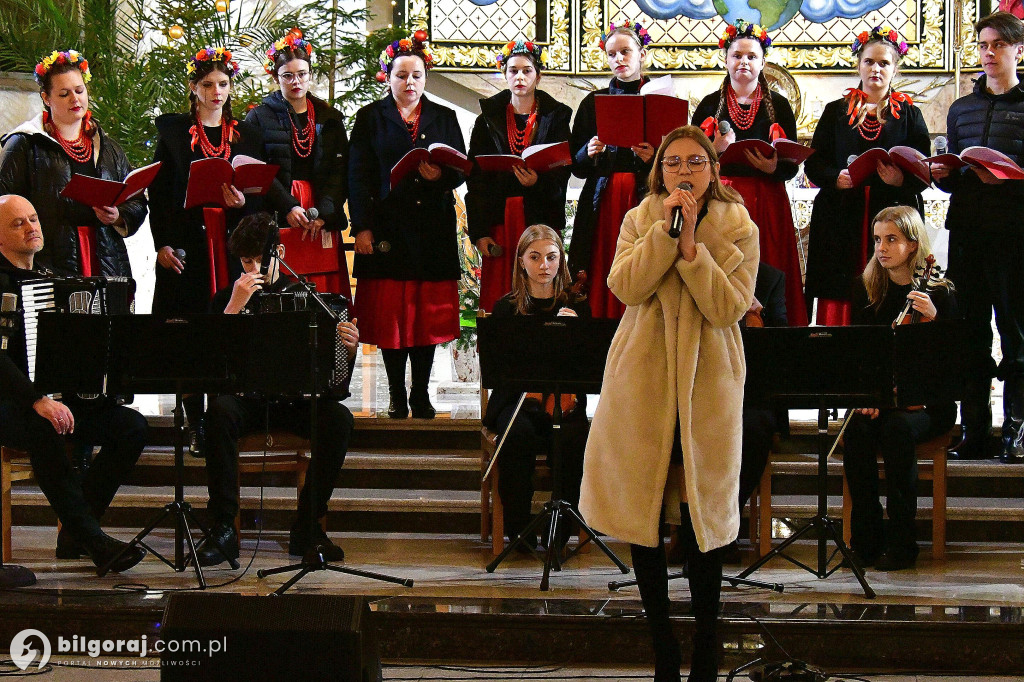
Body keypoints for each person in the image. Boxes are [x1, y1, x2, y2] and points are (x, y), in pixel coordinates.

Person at [579, 126, 758, 682]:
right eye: (673, 162)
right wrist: (665, 235)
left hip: (709, 381)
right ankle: (662, 645)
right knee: (645, 514)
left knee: (702, 517)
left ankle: (707, 640)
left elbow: (728, 308)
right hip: (644, 379)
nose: (684, 171)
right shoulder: (641, 217)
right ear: (660, 170)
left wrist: (693, 251)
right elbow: (626, 287)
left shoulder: (739, 224)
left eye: (696, 162)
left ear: (713, 169)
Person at [193, 212, 358, 566]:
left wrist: (347, 349)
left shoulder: (307, 297)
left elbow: (332, 375)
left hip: (295, 403)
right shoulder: (226, 298)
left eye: (259, 260)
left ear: (279, 253)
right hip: (247, 402)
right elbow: (207, 364)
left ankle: (308, 525)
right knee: (218, 414)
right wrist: (233, 308)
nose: (253, 269)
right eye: (246, 262)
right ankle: (223, 527)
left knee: (339, 419)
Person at [0, 194, 146, 573]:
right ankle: (94, 540)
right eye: (18, 223)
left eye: (34, 219)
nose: (31, 227)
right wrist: (37, 399)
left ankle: (77, 532)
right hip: (10, 405)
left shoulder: (52, 278)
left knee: (131, 426)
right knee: (44, 427)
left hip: (54, 401)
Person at [148, 46, 265, 453]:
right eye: (208, 84)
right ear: (194, 88)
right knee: (191, 328)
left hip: (231, 246)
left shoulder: (246, 134)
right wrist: (162, 244)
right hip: (190, 246)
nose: (217, 92)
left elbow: (257, 192)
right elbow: (159, 195)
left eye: (223, 84)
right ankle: (195, 420)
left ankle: (225, 413)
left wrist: (242, 203)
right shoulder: (174, 134)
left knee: (232, 324)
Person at [348, 31, 466, 419]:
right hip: (387, 229)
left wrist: (440, 175)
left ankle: (420, 394)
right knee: (392, 319)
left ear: (426, 77)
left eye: (417, 75)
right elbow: (357, 176)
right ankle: (397, 395)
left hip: (431, 229)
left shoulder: (444, 117)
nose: (409, 82)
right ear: (388, 77)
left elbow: (462, 168)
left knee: (425, 318)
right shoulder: (370, 117)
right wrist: (361, 228)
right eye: (401, 75)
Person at [842, 205, 957, 571]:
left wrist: (936, 320)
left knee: (896, 431)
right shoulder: (867, 290)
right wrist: (867, 397)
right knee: (857, 431)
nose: (882, 248)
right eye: (878, 239)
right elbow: (860, 354)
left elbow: (955, 363)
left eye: (891, 239)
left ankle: (903, 542)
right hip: (882, 399)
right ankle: (866, 540)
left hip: (928, 405)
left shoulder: (939, 292)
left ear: (913, 244)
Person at [932, 11, 1024, 463]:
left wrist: (1007, 179)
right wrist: (943, 175)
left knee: (1016, 334)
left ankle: (1017, 430)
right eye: (984, 45)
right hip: (967, 232)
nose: (989, 53)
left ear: (1018, 51)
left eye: (998, 45)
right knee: (969, 333)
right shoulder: (960, 108)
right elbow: (956, 171)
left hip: (1014, 235)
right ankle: (974, 429)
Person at [804, 26, 930, 325]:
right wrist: (835, 178)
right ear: (858, 65)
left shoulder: (910, 114)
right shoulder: (836, 112)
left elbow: (924, 170)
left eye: (884, 63)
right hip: (842, 214)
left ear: (895, 68)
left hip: (892, 211)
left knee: (890, 284)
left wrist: (900, 180)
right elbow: (814, 163)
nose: (876, 69)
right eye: (869, 61)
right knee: (842, 284)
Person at [692, 21, 807, 326]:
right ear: (725, 60)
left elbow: (791, 162)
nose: (744, 62)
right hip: (723, 198)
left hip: (767, 199)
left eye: (752, 56)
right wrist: (714, 150)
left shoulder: (779, 106)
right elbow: (691, 159)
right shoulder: (709, 104)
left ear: (763, 63)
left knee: (768, 262)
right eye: (737, 55)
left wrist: (774, 167)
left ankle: (771, 328)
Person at [483, 224, 589, 550]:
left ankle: (560, 530)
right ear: (521, 261)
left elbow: (588, 367)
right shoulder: (506, 308)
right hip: (517, 401)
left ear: (561, 261)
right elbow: (498, 370)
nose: (544, 265)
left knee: (574, 438)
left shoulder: (576, 307)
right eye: (535, 257)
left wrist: (576, 335)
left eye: (552, 257)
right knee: (517, 435)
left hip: (563, 402)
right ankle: (519, 529)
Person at [0, 49, 146, 277]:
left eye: (79, 90)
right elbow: (5, 205)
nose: (75, 99)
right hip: (49, 259)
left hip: (107, 258)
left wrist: (118, 216)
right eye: (64, 94)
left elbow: (136, 201)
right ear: (46, 98)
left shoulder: (107, 147)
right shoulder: (25, 143)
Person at [467, 40, 571, 313]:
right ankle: (500, 339)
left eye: (527, 70)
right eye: (513, 71)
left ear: (539, 75)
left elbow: (563, 171)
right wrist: (479, 232)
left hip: (539, 217)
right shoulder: (487, 119)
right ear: (505, 74)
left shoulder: (557, 117)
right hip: (500, 219)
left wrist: (538, 182)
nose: (520, 77)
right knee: (500, 291)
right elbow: (475, 179)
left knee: (541, 284)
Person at [246, 31, 351, 299]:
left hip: (320, 209)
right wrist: (288, 206)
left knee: (324, 286)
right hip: (279, 207)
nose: (296, 82)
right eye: (288, 76)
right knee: (283, 284)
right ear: (275, 77)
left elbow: (340, 171)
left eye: (302, 74)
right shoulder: (258, 117)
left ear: (310, 74)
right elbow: (256, 170)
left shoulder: (330, 118)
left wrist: (325, 212)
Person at [569, 21, 657, 318]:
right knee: (602, 261)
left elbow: (676, 157)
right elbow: (576, 166)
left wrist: (653, 157)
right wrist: (588, 151)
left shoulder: (659, 98)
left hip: (644, 196)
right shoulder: (592, 102)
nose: (618, 58)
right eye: (611, 54)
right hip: (603, 199)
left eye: (625, 51)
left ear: (642, 54)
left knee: (643, 263)